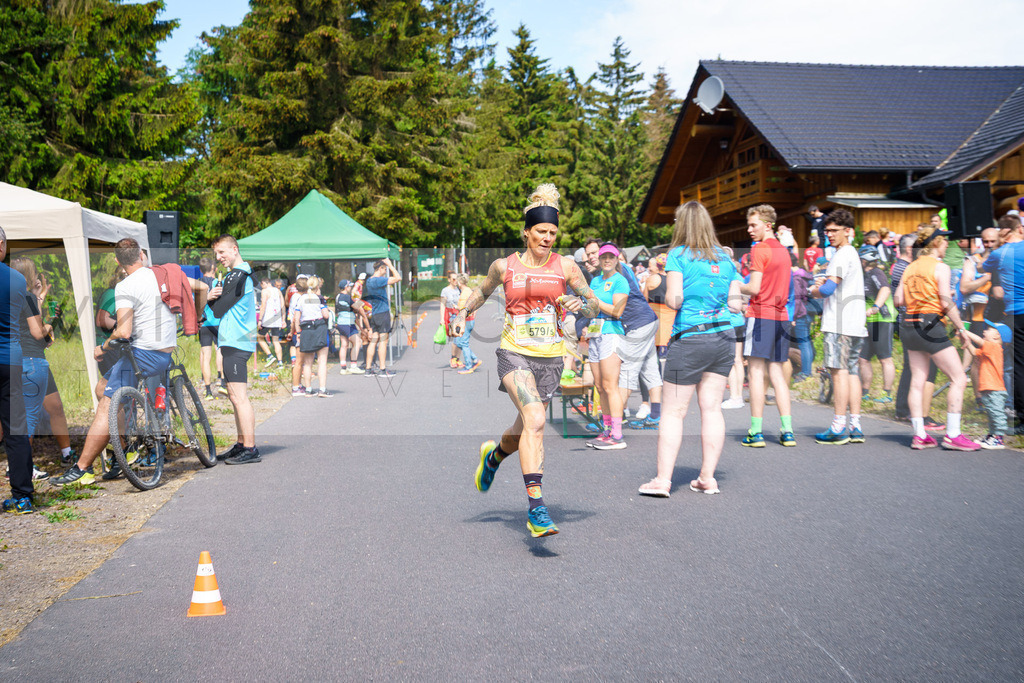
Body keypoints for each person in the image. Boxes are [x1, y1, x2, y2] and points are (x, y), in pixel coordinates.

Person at [455, 183, 599, 538]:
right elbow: (482, 291)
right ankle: (537, 509)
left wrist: (582, 305)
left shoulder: (566, 267)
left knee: (525, 428)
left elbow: (595, 303)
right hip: (513, 351)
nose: (548, 238)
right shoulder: (505, 266)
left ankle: (494, 457)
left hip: (550, 358)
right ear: (526, 233)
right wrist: (461, 312)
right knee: (535, 418)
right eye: (541, 232)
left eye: (553, 232)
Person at [51, 238, 178, 486]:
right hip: (165, 352)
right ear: (142, 254)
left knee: (106, 405)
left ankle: (82, 468)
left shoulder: (125, 286)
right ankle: (123, 447)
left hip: (145, 355)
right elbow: (197, 287)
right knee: (102, 388)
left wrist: (102, 347)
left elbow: (123, 332)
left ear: (118, 261)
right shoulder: (160, 274)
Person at [638, 201, 742, 497]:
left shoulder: (677, 256)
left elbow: (674, 300)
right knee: (711, 409)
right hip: (723, 336)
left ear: (681, 225)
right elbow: (735, 302)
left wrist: (659, 287)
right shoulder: (726, 258)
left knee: (673, 412)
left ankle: (662, 480)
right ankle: (708, 477)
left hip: (691, 337)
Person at [894, 224, 979, 450]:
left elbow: (898, 300)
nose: (947, 245)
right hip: (930, 324)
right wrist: (961, 329)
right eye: (944, 241)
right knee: (959, 378)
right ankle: (953, 434)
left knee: (917, 381)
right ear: (935, 243)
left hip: (909, 325)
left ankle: (919, 435)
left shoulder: (909, 267)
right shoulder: (940, 268)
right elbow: (945, 302)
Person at [809, 209, 867, 444]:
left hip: (839, 323)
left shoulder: (842, 254)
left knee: (838, 372)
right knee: (851, 372)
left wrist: (812, 289)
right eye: (827, 231)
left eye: (834, 230)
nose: (829, 235)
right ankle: (855, 425)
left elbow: (826, 290)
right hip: (854, 323)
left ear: (847, 231)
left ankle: (838, 425)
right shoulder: (851, 253)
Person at [739, 204, 795, 447]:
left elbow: (754, 288)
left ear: (768, 224)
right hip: (781, 316)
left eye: (754, 225)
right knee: (778, 374)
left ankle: (756, 431)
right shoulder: (784, 251)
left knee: (755, 373)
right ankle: (787, 430)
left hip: (760, 314)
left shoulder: (760, 249)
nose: (750, 229)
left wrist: (732, 285)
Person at [207, 235, 261, 464]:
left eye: (222, 252)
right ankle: (241, 444)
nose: (219, 258)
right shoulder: (237, 275)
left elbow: (217, 310)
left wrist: (208, 298)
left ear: (234, 249)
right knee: (233, 396)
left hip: (238, 341)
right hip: (233, 341)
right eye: (216, 254)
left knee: (239, 397)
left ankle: (250, 448)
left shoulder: (239, 274)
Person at [0, 228, 37, 513]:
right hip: (10, 359)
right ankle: (23, 495)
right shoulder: (18, 280)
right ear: (2, 245)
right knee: (16, 429)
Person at [10, 258, 56, 480]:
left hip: (12, 361)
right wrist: (49, 327)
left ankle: (16, 465)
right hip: (32, 361)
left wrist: (39, 297)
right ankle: (21, 470)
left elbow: (27, 321)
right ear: (29, 275)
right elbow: (38, 332)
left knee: (13, 417)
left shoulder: (10, 297)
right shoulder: (26, 296)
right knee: (28, 420)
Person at [585, 243, 631, 449]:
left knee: (610, 385)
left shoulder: (620, 281)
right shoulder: (595, 280)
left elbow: (617, 311)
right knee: (599, 386)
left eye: (611, 257)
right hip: (595, 333)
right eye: (604, 257)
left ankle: (617, 434)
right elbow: (590, 308)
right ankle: (606, 430)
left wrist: (594, 301)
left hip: (612, 333)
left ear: (616, 259)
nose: (607, 260)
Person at [982, 215, 1024, 432]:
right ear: (1019, 229)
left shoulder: (999, 254)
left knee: (1019, 366)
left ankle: (1022, 420)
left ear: (1003, 232)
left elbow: (982, 266)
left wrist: (997, 242)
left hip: (1016, 314)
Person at [858, 246, 896, 404]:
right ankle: (865, 392)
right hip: (870, 323)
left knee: (885, 358)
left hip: (882, 320)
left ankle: (887, 394)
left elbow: (885, 289)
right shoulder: (865, 275)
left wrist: (876, 307)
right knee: (862, 358)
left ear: (864, 260)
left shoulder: (876, 273)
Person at [961, 322, 1007, 449]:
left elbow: (980, 341)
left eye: (988, 330)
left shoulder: (995, 348)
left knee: (997, 415)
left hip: (995, 390)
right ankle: (992, 436)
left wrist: (963, 330)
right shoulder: (988, 349)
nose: (984, 331)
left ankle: (999, 439)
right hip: (988, 389)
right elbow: (975, 352)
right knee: (992, 414)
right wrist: (966, 340)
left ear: (996, 336)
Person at [293, 276, 331, 396]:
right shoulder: (319, 298)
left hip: (306, 329)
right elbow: (325, 315)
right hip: (319, 328)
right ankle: (322, 389)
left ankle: (308, 389)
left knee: (308, 362)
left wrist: (298, 332)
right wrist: (328, 311)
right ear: (317, 286)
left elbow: (296, 318)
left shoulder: (301, 299)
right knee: (322, 361)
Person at [363, 258, 401, 377]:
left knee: (373, 341)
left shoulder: (369, 281)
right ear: (380, 268)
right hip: (382, 313)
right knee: (383, 342)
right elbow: (398, 278)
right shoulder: (379, 280)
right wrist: (390, 264)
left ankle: (368, 369)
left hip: (374, 313)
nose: (386, 271)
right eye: (385, 269)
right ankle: (383, 369)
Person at [197, 257, 224, 399]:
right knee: (220, 351)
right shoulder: (218, 282)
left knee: (205, 356)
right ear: (213, 268)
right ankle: (222, 382)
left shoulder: (198, 284)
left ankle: (207, 391)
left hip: (204, 323)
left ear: (201, 270)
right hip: (218, 322)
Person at [334, 280, 368, 374]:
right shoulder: (347, 297)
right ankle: (353, 365)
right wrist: (361, 302)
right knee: (357, 342)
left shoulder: (338, 297)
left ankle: (343, 368)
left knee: (344, 344)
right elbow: (356, 307)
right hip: (348, 323)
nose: (350, 288)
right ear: (346, 287)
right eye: (349, 286)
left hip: (340, 323)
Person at [454, 273, 482, 374]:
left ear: (459, 282)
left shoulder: (465, 293)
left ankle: (469, 366)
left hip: (466, 320)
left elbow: (463, 308)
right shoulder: (469, 291)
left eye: (457, 281)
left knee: (463, 343)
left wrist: (456, 307)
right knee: (460, 342)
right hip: (469, 319)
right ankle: (474, 360)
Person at [257, 277, 286, 367]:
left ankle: (270, 355)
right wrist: (283, 320)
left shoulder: (265, 291)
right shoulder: (278, 291)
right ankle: (280, 363)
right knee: (275, 340)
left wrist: (260, 320)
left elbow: (263, 306)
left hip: (267, 319)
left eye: (262, 286)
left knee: (259, 337)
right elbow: (283, 306)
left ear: (264, 283)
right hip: (277, 319)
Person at [439, 272, 462, 368]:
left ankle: (458, 359)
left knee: (460, 337)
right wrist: (441, 319)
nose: (456, 281)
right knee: (455, 338)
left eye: (457, 278)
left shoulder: (459, 290)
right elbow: (442, 304)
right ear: (449, 280)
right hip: (451, 315)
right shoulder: (445, 291)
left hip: (460, 315)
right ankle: (453, 358)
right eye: (453, 279)